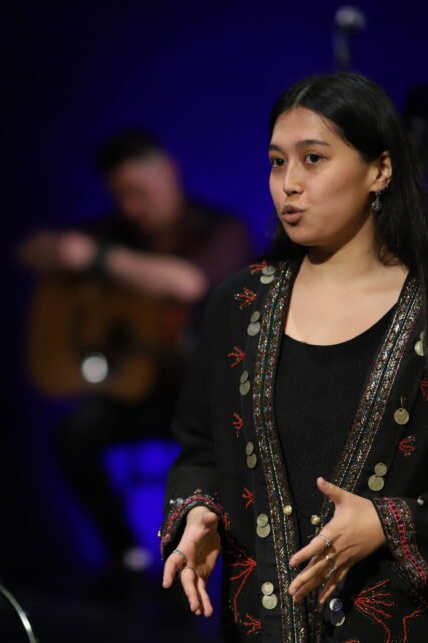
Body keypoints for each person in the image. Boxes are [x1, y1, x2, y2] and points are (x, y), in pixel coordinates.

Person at [158, 73, 428, 642]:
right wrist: (199, 513)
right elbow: (202, 447)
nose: (289, 183)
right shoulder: (238, 306)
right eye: (277, 162)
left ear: (380, 170)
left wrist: (388, 523)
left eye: (313, 159)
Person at [18, 130, 255, 582]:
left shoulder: (222, 231)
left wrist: (98, 259)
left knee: (222, 451)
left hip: (212, 400)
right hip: (141, 393)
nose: (130, 208)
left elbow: (189, 282)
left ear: (168, 173)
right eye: (120, 196)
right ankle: (125, 554)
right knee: (74, 432)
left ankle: (218, 561)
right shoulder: (117, 231)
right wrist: (62, 253)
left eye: (138, 192)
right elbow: (33, 250)